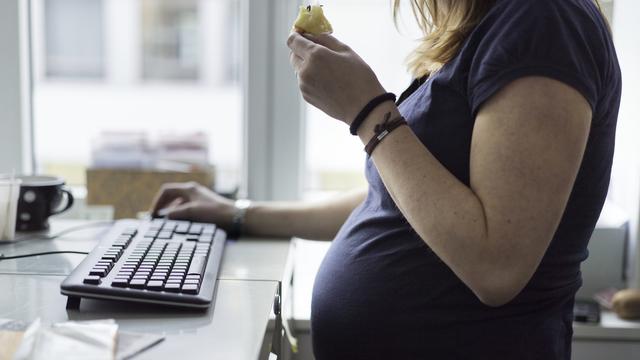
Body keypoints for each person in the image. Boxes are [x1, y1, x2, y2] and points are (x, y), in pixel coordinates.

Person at [150, 0, 621, 358]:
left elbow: (497, 265)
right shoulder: (487, 26)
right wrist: (238, 214)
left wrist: (367, 111)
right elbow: (400, 202)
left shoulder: (545, 22)